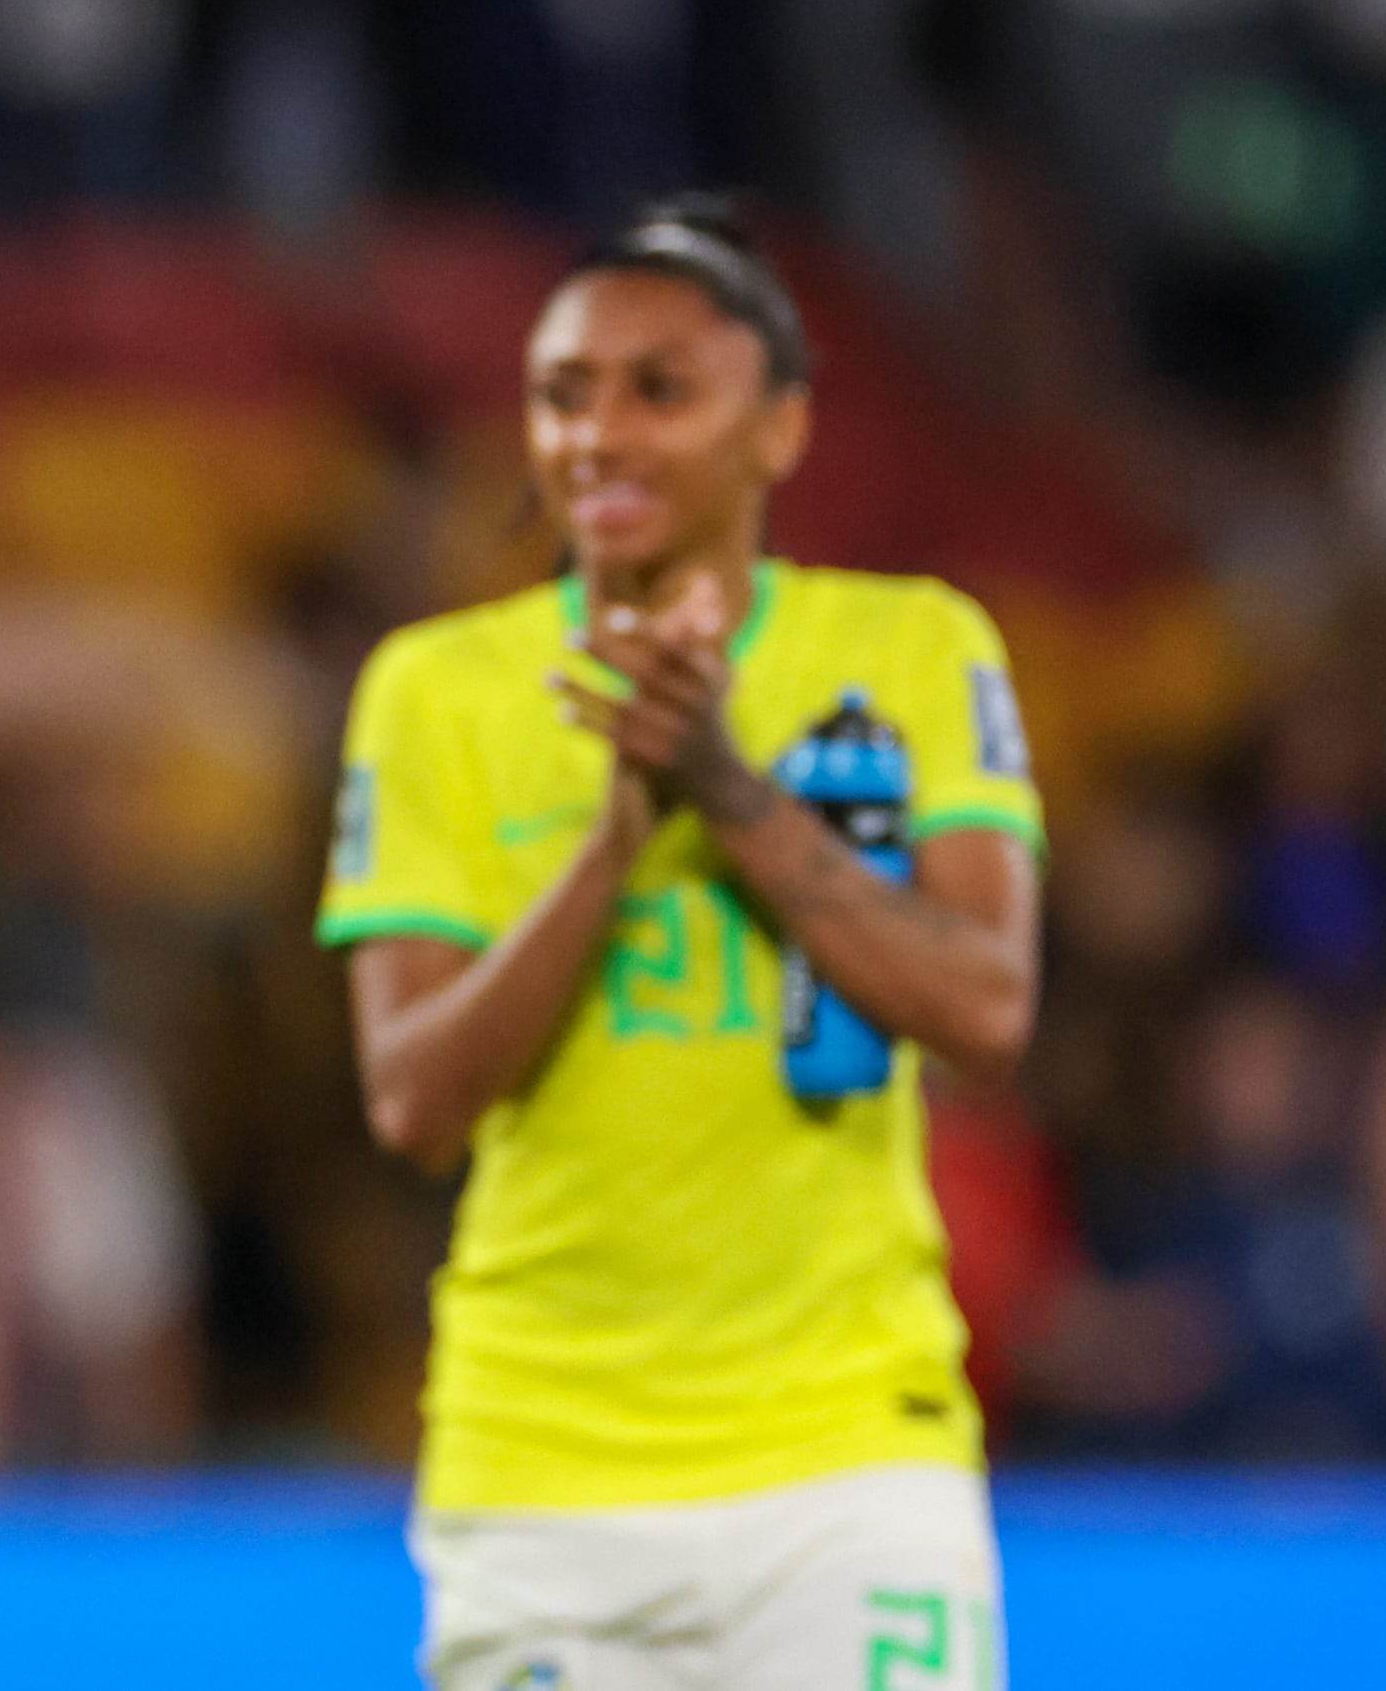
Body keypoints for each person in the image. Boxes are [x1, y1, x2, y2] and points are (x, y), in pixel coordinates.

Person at [321, 199, 1040, 1690]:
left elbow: (985, 1010)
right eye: (562, 394)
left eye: (660, 389)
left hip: (850, 1460)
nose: (599, 437)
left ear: (780, 428)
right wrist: (613, 845)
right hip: (543, 1471)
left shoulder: (912, 649)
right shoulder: (438, 691)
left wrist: (730, 790)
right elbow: (412, 1103)